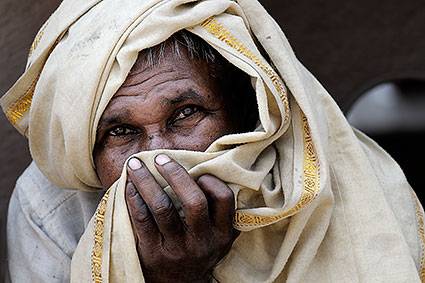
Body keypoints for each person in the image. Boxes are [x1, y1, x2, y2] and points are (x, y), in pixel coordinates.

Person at [2, 0, 424, 282]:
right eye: (121, 132)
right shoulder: (50, 209)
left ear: (247, 111)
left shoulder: (360, 189)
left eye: (185, 114)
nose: (157, 156)